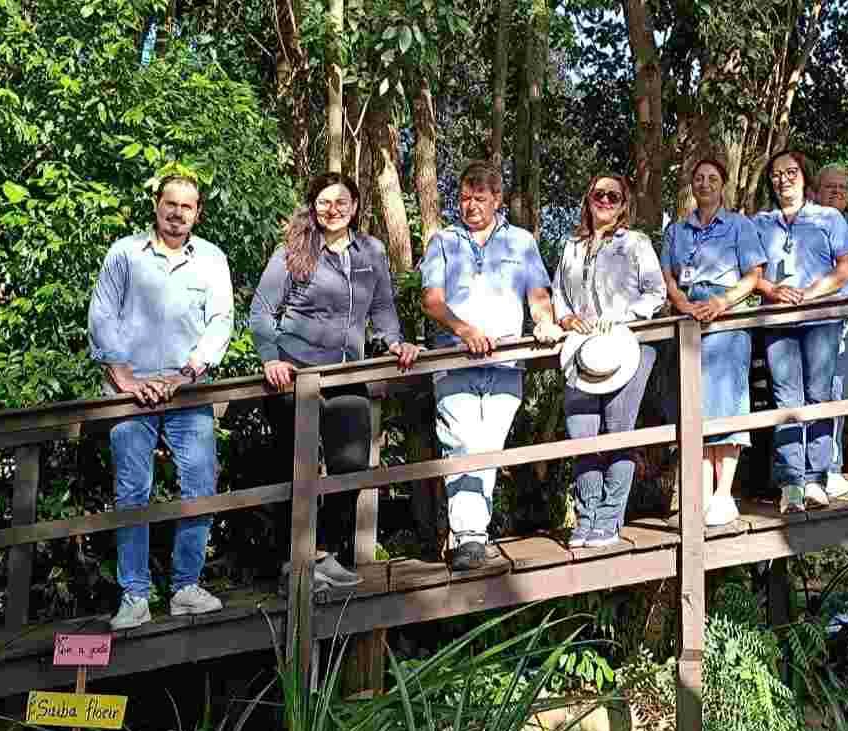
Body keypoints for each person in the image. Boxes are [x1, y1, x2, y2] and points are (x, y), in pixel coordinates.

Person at [250, 172, 421, 588]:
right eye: (324, 202)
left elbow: (381, 306)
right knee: (295, 469)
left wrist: (395, 342)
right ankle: (292, 565)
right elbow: (260, 311)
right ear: (313, 207)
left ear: (356, 206)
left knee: (351, 465)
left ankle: (324, 553)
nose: (333, 209)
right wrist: (271, 359)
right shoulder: (293, 251)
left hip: (349, 372)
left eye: (341, 202)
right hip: (295, 373)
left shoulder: (371, 252)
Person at [88, 174, 233, 631]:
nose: (176, 213)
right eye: (169, 204)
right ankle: (134, 595)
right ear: (156, 205)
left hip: (187, 391)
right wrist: (125, 378)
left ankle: (186, 587)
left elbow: (220, 322)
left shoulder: (211, 259)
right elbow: (102, 314)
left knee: (200, 485)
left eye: (186, 207)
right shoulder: (125, 254)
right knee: (132, 491)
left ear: (198, 212)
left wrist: (186, 374)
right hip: (129, 395)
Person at [420, 161, 562, 570]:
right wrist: (464, 331)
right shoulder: (443, 241)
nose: (470, 206)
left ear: (497, 199)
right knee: (461, 443)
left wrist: (545, 322)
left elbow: (537, 293)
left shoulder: (521, 242)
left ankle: (475, 533)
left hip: (506, 363)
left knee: (488, 447)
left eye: (479, 198)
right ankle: (468, 537)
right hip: (454, 358)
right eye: (464, 198)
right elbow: (431, 300)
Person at [552, 174, 666, 547]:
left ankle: (608, 519)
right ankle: (585, 518)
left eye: (613, 196)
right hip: (582, 351)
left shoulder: (636, 243)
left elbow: (656, 293)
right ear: (588, 200)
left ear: (623, 204)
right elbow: (558, 298)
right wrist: (567, 319)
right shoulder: (572, 246)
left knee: (619, 429)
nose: (605, 200)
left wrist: (621, 317)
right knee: (581, 431)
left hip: (627, 347)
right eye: (598, 194)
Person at [752, 152, 848, 512]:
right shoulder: (760, 223)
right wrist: (773, 291)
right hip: (778, 323)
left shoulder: (828, 217)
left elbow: (847, 268)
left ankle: (816, 478)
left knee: (819, 396)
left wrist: (808, 295)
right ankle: (791, 483)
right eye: (776, 174)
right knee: (786, 399)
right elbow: (750, 273)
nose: (784, 179)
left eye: (791, 172)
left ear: (804, 178)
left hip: (821, 319)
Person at [661, 157, 765, 527]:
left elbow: (753, 276)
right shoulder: (676, 230)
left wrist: (721, 302)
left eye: (712, 178)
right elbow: (669, 276)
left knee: (728, 401)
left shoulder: (739, 224)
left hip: (727, 312)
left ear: (723, 185)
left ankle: (724, 494)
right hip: (688, 316)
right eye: (698, 177)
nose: (705, 183)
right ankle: (701, 496)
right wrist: (683, 304)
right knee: (696, 404)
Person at [816, 163, 848, 498]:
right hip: (818, 322)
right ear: (815, 192)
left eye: (842, 189)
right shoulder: (808, 226)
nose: (836, 193)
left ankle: (830, 469)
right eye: (830, 187)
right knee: (817, 396)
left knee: (840, 396)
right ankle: (819, 471)